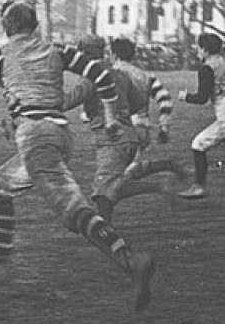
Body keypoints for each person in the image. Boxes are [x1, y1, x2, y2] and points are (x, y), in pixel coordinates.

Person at [0, 0, 155, 313]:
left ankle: (131, 261)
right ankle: (0, 265)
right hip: (59, 134)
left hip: (35, 138)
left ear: (6, 28)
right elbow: (99, 72)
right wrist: (111, 112)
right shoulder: (56, 49)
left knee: (73, 211)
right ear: (36, 27)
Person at [62, 35, 181, 221]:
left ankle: (108, 237)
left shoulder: (93, 76)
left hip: (110, 139)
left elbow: (68, 101)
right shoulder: (120, 74)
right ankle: (158, 186)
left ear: (85, 54)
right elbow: (138, 102)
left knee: (103, 193)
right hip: (129, 137)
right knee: (113, 187)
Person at [109, 37, 180, 183]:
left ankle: (165, 169)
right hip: (142, 127)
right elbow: (165, 100)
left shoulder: (113, 74)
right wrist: (164, 126)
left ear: (113, 54)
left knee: (116, 175)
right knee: (126, 173)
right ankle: (168, 166)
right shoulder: (146, 76)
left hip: (121, 128)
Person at [176, 32, 225, 199]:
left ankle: (199, 187)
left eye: (199, 47)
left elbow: (202, 98)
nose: (197, 50)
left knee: (198, 144)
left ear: (205, 49)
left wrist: (186, 96)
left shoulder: (207, 69)